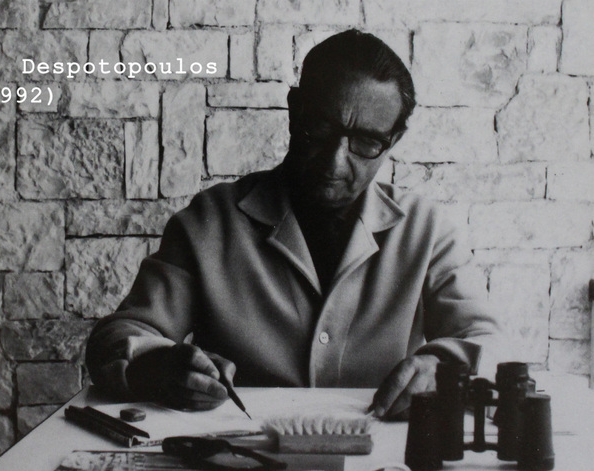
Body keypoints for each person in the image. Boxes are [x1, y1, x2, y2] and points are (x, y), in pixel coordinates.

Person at [86, 30, 503, 419]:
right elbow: (120, 335)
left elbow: (492, 345)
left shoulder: (426, 231)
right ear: (294, 110)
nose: (335, 162)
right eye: (319, 128)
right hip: (242, 450)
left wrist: (445, 371)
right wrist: (157, 364)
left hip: (383, 457)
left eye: (366, 142)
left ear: (392, 141)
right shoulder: (209, 221)